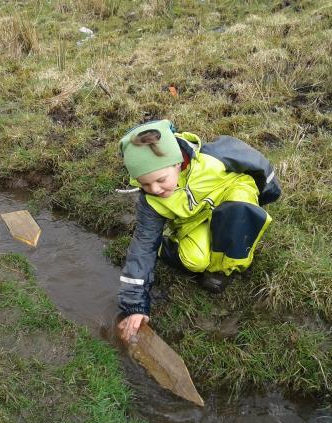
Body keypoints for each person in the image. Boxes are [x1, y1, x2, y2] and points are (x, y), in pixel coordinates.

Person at [116, 119, 281, 342]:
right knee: (195, 261)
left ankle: (222, 272)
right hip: (194, 221)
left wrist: (269, 192)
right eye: (145, 185)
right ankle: (166, 247)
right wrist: (134, 305)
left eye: (160, 180)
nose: (154, 189)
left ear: (176, 163)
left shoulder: (213, 159)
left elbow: (256, 163)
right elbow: (142, 248)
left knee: (240, 220)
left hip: (231, 197)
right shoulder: (151, 201)